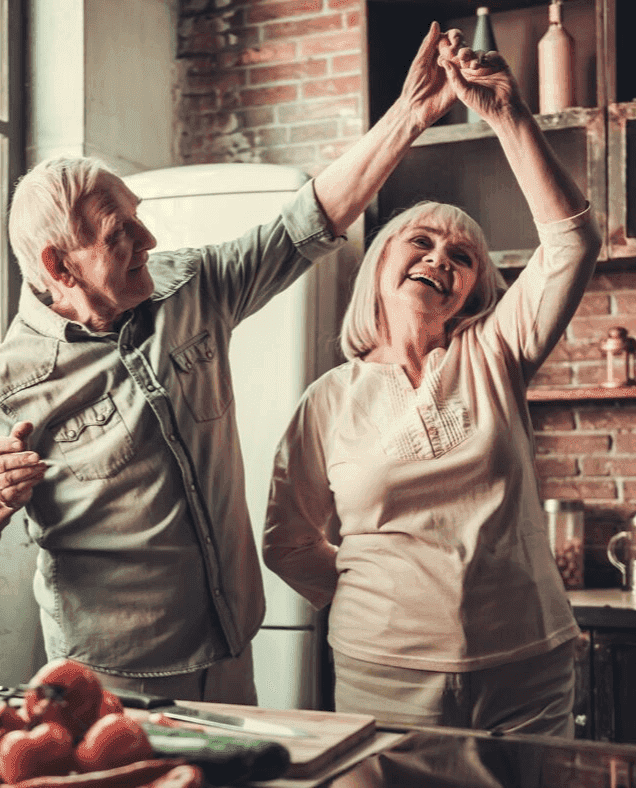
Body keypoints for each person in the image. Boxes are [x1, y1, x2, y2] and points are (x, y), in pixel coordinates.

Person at [0, 23, 467, 703]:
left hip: (233, 644)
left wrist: (409, 115)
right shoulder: (2, 381)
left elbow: (307, 220)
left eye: (138, 217)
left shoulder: (191, 287)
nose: (150, 239)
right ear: (58, 266)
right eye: (122, 233)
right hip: (113, 676)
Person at [263, 39, 601, 734]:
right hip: (380, 673)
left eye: (463, 256)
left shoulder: (495, 352)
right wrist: (379, 602)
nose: (440, 257)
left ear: (476, 288)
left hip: (526, 667)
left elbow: (570, 242)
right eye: (420, 241)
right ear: (380, 264)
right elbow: (288, 542)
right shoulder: (328, 399)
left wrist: (507, 116)